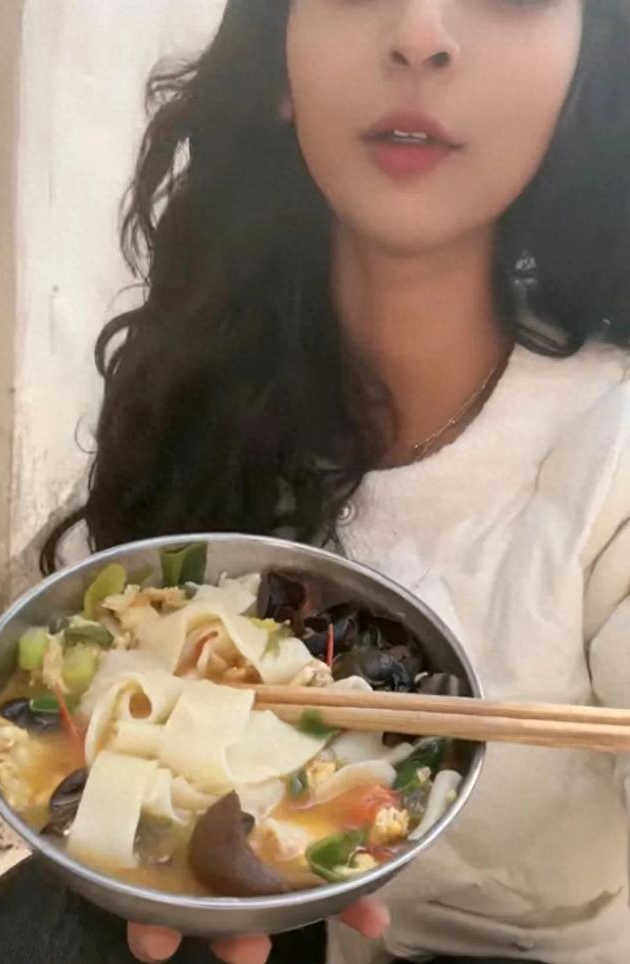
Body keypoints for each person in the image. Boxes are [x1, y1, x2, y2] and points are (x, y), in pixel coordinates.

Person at [33, 0, 630, 962]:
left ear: (582, 76)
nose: (421, 32)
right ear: (278, 60)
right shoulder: (210, 391)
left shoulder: (612, 445)